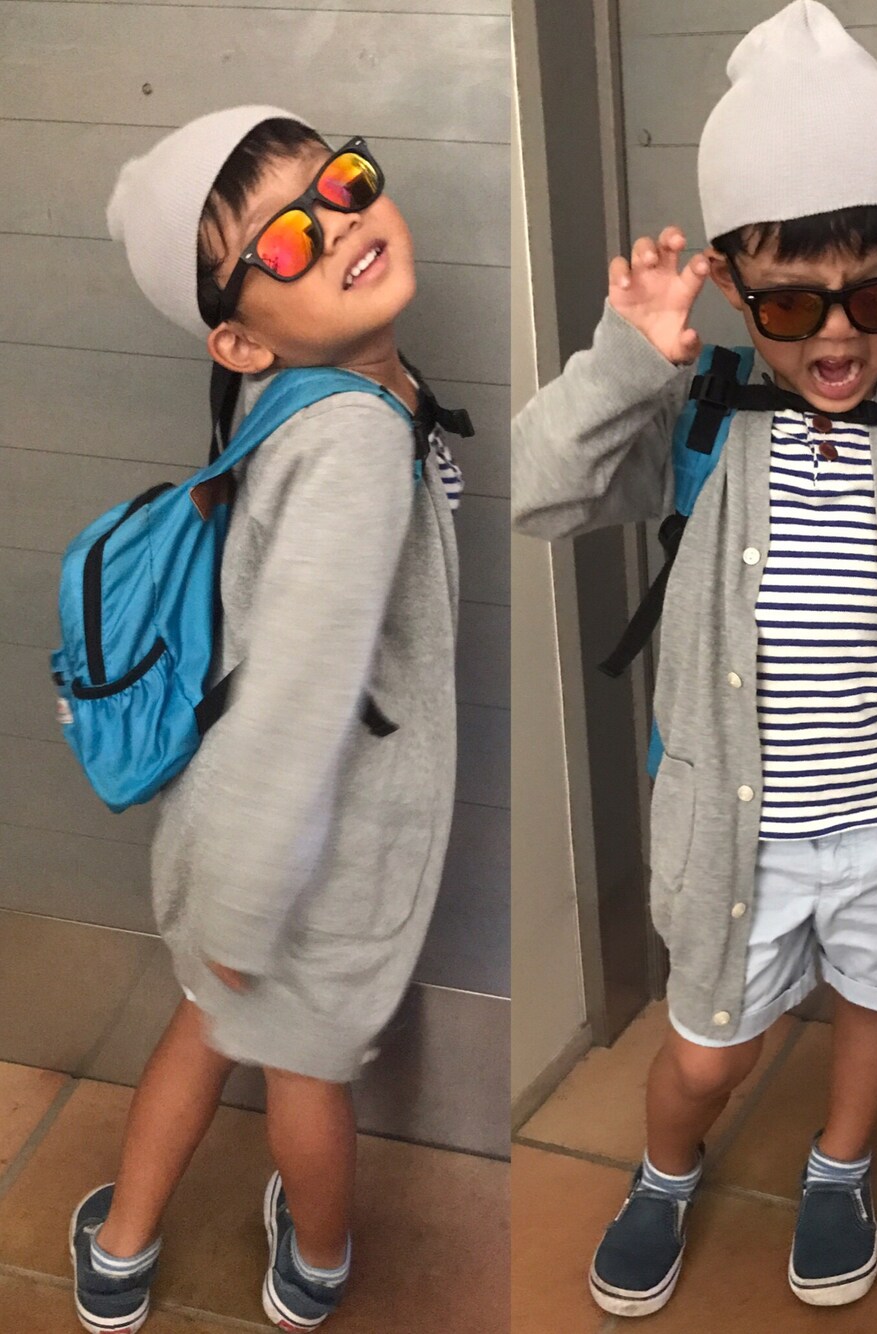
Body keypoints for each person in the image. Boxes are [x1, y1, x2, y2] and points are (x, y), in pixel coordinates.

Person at [513, 0, 877, 1315]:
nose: (836, 338)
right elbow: (541, 488)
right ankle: (665, 1170)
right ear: (731, 283)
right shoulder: (697, 417)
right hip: (742, 837)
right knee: (707, 1054)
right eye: (789, 301)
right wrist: (624, 362)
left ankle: (840, 1165)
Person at [70, 105, 465, 1333]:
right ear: (240, 337)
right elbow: (300, 688)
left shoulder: (311, 384)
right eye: (286, 240)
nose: (336, 225)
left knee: (203, 1025)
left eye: (340, 183)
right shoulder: (349, 440)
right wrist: (246, 900)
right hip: (307, 844)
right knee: (304, 1078)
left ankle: (121, 1250)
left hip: (241, 823)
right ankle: (317, 1262)